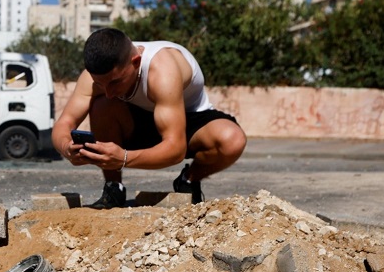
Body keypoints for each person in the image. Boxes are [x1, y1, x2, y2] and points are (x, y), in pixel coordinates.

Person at [53, 28, 246, 208]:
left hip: (189, 121)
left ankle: (189, 180)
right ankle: (113, 188)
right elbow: (64, 123)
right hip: (137, 121)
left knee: (232, 140)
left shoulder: (162, 70)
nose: (109, 91)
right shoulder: (94, 77)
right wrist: (67, 148)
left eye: (115, 82)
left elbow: (176, 150)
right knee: (103, 103)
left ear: (135, 62)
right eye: (100, 84)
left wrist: (124, 158)